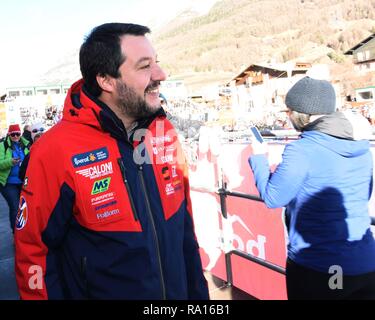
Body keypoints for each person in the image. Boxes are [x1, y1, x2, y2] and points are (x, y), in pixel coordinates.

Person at [14, 23, 209, 300]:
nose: (161, 75)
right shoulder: (54, 150)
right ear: (106, 80)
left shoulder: (164, 132)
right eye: (144, 67)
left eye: (157, 63)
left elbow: (185, 233)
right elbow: (34, 252)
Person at [248, 76, 375, 300]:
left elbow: (272, 197)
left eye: (289, 112)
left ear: (302, 113)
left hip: (321, 267)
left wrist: (259, 157)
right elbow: (364, 194)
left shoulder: (302, 150)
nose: (288, 118)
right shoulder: (362, 147)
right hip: (365, 262)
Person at [0, 124, 30, 233]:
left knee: (25, 207)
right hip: (8, 183)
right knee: (15, 207)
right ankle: (16, 234)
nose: (16, 136)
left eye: (18, 134)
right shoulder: (3, 146)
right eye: (13, 134)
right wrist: (10, 162)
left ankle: (25, 232)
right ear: (9, 134)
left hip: (24, 182)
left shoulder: (25, 145)